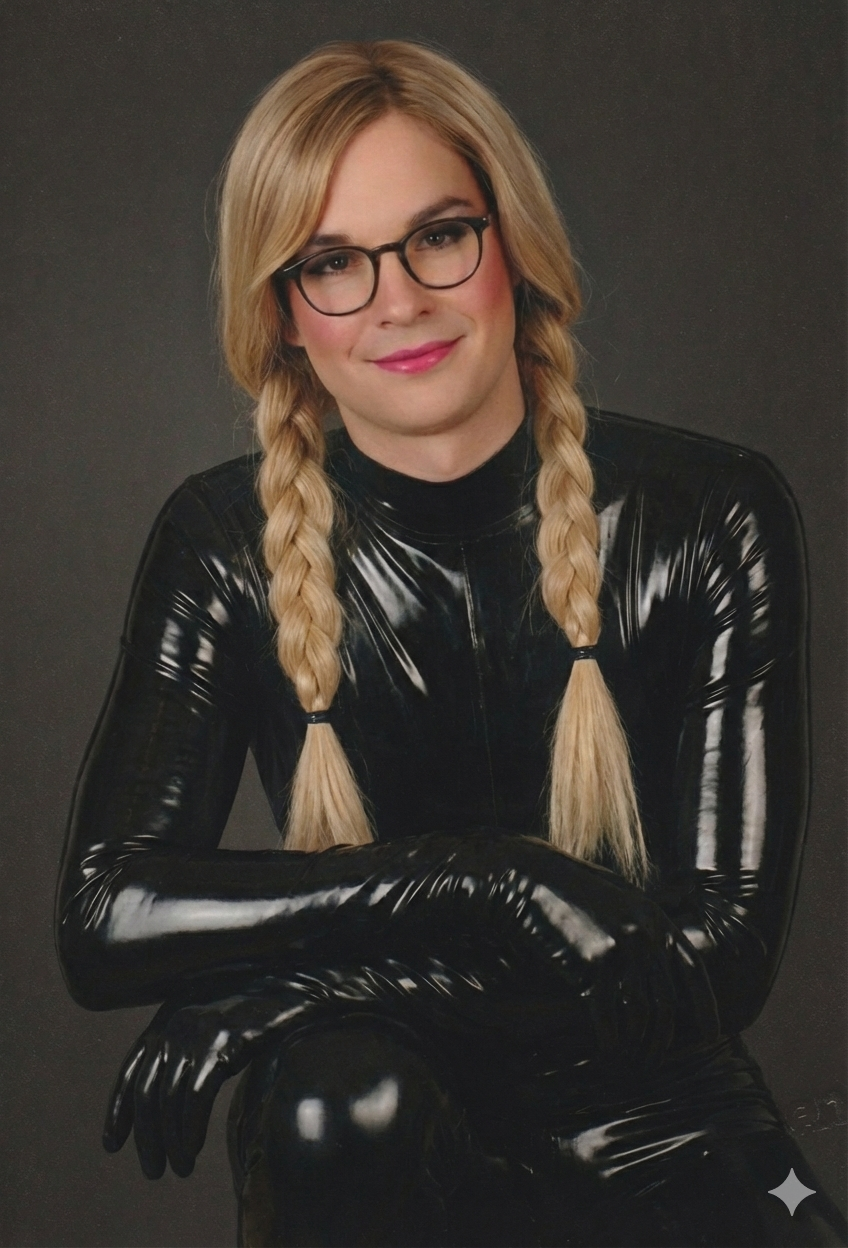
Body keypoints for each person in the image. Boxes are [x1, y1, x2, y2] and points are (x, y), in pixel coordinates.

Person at [55, 39, 847, 1248]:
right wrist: (486, 880)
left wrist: (311, 985)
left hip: (660, 1113)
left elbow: (718, 960)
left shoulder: (708, 512)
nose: (397, 301)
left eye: (436, 236)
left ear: (510, 245)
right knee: (341, 1101)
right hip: (368, 1114)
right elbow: (108, 913)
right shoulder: (219, 543)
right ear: (281, 314)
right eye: (332, 263)